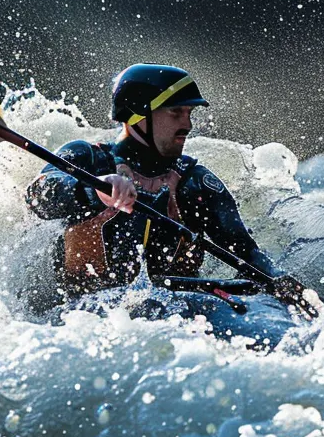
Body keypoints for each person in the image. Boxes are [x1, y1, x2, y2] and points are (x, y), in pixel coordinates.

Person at [26, 63, 302, 304]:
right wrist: (93, 190)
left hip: (176, 313)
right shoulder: (87, 159)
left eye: (189, 114)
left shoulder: (196, 183)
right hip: (83, 314)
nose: (188, 125)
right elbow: (38, 196)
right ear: (137, 115)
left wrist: (281, 282)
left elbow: (246, 252)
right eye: (175, 113)